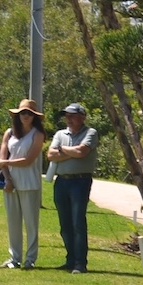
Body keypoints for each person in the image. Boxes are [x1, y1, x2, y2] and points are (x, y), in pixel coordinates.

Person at [0, 99, 46, 269]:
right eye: (23, 113)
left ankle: (30, 259)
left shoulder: (38, 134)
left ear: (34, 116)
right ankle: (14, 259)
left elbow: (28, 160)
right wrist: (8, 179)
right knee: (13, 223)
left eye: (29, 113)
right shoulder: (9, 133)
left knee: (31, 224)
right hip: (10, 183)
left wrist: (6, 163)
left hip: (29, 183)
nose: (26, 116)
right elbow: (2, 158)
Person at [47, 102, 97, 274]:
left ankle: (80, 263)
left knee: (77, 223)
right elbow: (50, 154)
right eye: (66, 116)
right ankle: (70, 259)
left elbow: (82, 152)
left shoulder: (90, 133)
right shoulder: (60, 134)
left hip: (80, 182)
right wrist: (71, 152)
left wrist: (62, 151)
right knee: (65, 224)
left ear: (82, 117)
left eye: (72, 116)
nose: (68, 119)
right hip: (62, 182)